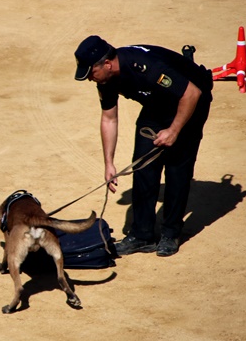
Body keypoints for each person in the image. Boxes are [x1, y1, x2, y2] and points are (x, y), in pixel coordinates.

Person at [74, 35, 214, 257]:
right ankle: (142, 235)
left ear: (107, 64)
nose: (90, 78)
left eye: (91, 72)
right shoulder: (106, 79)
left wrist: (174, 131)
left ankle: (171, 233)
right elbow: (109, 118)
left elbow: (191, 93)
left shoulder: (144, 67)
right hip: (157, 103)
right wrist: (108, 163)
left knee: (177, 168)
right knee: (143, 166)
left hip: (190, 101)